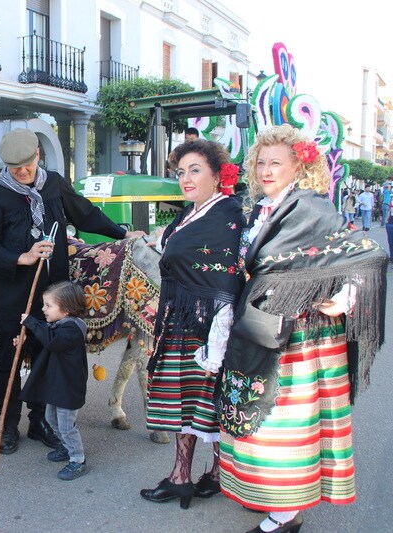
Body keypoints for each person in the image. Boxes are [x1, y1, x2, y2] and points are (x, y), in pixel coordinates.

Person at [218, 125, 387, 533]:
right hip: (262, 324)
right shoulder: (263, 209)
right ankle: (272, 494)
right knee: (260, 413)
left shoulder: (311, 207)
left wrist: (341, 298)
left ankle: (286, 514)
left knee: (283, 419)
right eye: (261, 162)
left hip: (299, 338)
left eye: (276, 162)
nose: (266, 170)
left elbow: (362, 257)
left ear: (299, 165)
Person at [0, 128, 141, 455]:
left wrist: (121, 233)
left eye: (26, 164)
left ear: (38, 154)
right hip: (14, 293)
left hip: (53, 293)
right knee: (10, 358)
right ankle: (8, 425)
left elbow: (86, 213)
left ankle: (39, 423)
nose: (21, 172)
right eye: (14, 167)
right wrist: (21, 257)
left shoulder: (54, 184)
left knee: (44, 356)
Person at [139, 140, 244, 509]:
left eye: (195, 169)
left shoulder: (226, 215)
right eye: (181, 171)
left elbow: (226, 276)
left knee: (205, 403)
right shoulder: (191, 213)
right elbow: (175, 253)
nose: (185, 178)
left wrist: (217, 335)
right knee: (190, 402)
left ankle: (213, 474)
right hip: (182, 320)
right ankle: (186, 476)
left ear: (217, 175)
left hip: (209, 325)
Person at [18, 281, 89, 481]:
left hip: (68, 387)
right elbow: (45, 342)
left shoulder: (73, 329)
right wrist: (25, 342)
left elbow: (51, 340)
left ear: (66, 310)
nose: (43, 309)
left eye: (48, 306)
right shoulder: (58, 326)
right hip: (57, 385)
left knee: (66, 425)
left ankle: (78, 459)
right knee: (51, 419)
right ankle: (66, 447)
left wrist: (32, 322)